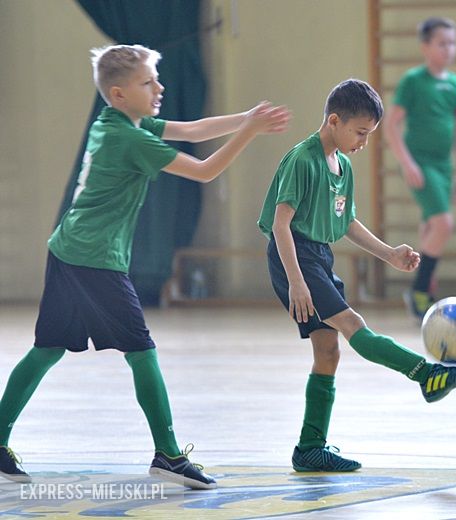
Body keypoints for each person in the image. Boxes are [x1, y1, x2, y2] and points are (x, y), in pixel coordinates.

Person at [0, 44, 290, 489]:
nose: (159, 87)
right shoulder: (129, 138)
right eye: (147, 82)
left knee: (48, 349)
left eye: (156, 79)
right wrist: (248, 131)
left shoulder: (117, 121)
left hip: (69, 250)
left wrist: (245, 117)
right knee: (141, 352)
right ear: (118, 93)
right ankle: (169, 456)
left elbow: (191, 130)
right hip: (92, 259)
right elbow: (205, 169)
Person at [258, 79, 456, 472]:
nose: (363, 142)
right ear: (334, 120)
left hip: (318, 257)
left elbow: (346, 223)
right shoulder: (302, 159)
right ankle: (426, 374)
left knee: (329, 351)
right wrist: (295, 280)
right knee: (351, 323)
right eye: (360, 132)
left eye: (369, 135)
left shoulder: (342, 166)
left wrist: (390, 254)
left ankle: (310, 448)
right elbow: (280, 225)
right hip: (293, 254)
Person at [384, 16, 456, 320]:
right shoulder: (413, 81)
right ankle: (419, 290)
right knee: (444, 224)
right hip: (422, 165)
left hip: (444, 166)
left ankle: (424, 286)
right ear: (425, 46)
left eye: (452, 42)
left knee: (431, 228)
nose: (449, 49)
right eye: (441, 43)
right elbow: (391, 126)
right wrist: (407, 163)